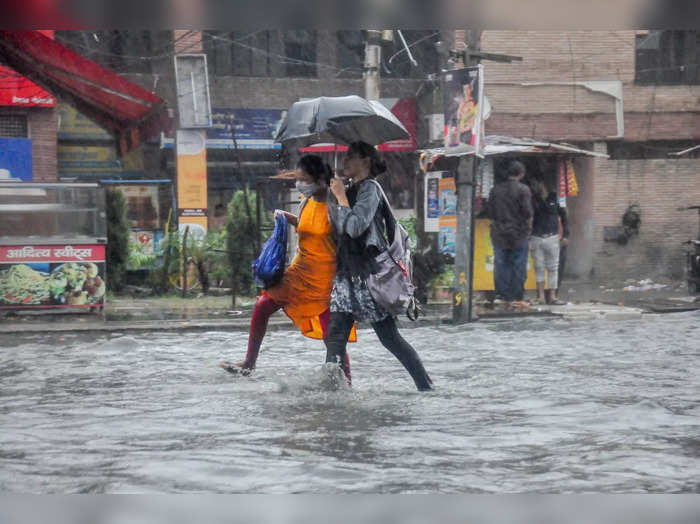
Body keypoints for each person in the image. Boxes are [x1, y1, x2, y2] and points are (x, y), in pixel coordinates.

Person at [220, 155, 355, 381]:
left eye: (305, 179)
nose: (300, 184)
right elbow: (304, 225)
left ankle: (346, 381)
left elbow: (350, 229)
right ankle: (249, 363)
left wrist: (341, 196)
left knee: (331, 337)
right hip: (299, 271)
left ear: (321, 179)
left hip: (324, 280)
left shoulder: (335, 205)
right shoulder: (306, 201)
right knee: (263, 305)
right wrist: (286, 218)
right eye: (299, 179)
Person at [325, 141, 433, 391]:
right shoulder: (351, 188)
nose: (345, 162)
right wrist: (336, 196)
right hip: (345, 275)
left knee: (389, 337)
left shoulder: (370, 189)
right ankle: (334, 393)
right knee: (336, 336)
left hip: (366, 276)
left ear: (366, 161)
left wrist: (341, 197)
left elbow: (355, 227)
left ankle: (425, 386)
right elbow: (339, 228)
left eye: (351, 157)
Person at [487, 160, 533, 309]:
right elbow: (527, 212)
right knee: (518, 265)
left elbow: (490, 212)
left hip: (499, 234)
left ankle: (502, 295)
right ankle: (517, 296)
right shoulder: (523, 190)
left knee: (501, 265)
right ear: (521, 174)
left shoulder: (495, 190)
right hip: (519, 234)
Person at [528, 177, 569, 305]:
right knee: (539, 267)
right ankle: (541, 296)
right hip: (536, 237)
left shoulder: (555, 198)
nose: (534, 186)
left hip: (552, 237)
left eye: (536, 183)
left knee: (553, 267)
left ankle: (552, 296)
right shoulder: (532, 199)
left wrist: (566, 235)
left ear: (542, 184)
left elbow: (564, 217)